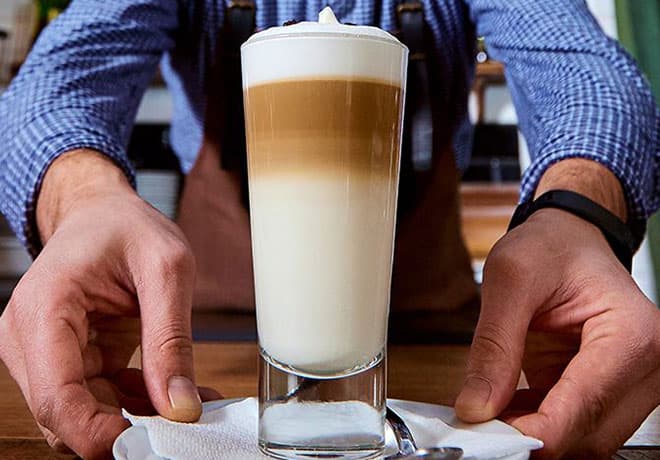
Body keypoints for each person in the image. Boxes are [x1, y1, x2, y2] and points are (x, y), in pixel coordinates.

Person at [0, 0, 658, 458]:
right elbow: (58, 78)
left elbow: (587, 74)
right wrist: (82, 198)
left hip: (441, 348)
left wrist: (579, 210)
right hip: (210, 356)